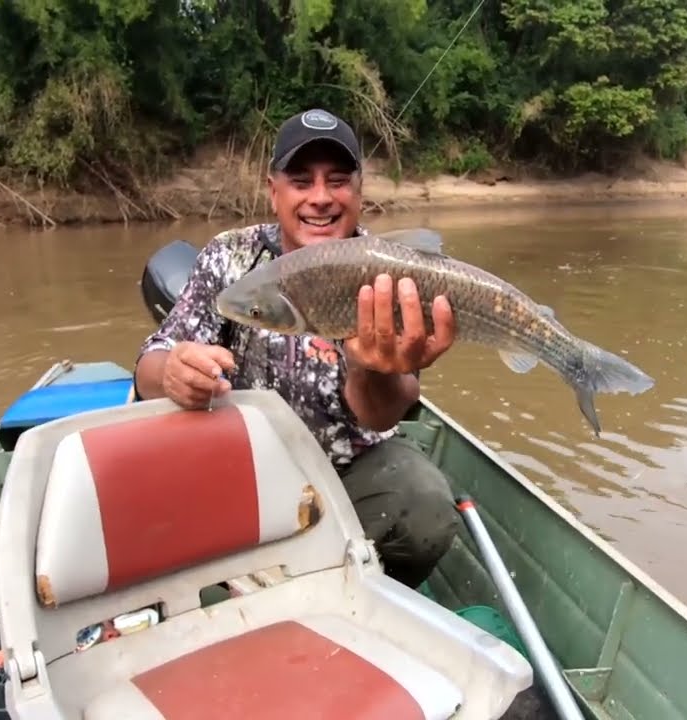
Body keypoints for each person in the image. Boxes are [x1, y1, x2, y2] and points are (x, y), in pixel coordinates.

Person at [133, 107, 460, 589]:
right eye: (302, 181)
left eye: (338, 180)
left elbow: (382, 415)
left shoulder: (388, 272)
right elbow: (149, 367)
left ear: (359, 190)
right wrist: (173, 374)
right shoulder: (230, 257)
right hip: (236, 471)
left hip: (346, 475)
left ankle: (364, 587)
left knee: (426, 508)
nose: (321, 198)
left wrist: (373, 370)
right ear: (274, 190)